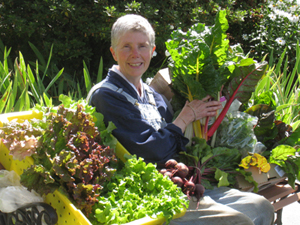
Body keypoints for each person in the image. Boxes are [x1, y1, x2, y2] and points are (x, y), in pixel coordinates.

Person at [87, 14, 274, 225]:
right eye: (126, 47)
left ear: (153, 50)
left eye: (142, 46)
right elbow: (148, 151)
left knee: (262, 207)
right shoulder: (106, 96)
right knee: (237, 221)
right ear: (113, 52)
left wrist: (206, 120)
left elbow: (176, 144)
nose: (135, 54)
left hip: (179, 184)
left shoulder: (152, 95)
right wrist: (185, 118)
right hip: (146, 195)